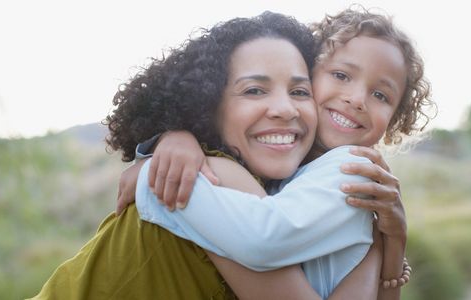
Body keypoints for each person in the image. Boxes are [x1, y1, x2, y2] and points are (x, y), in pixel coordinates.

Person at [33, 11, 386, 300]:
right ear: (207, 105)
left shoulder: (283, 194)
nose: (284, 108)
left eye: (298, 90)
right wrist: (378, 245)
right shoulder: (214, 179)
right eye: (253, 90)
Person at [121, 7, 433, 300]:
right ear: (311, 75)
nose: (357, 99)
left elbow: (265, 238)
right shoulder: (283, 173)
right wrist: (172, 139)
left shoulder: (352, 167)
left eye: (380, 95)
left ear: (395, 119)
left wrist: (153, 180)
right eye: (341, 76)